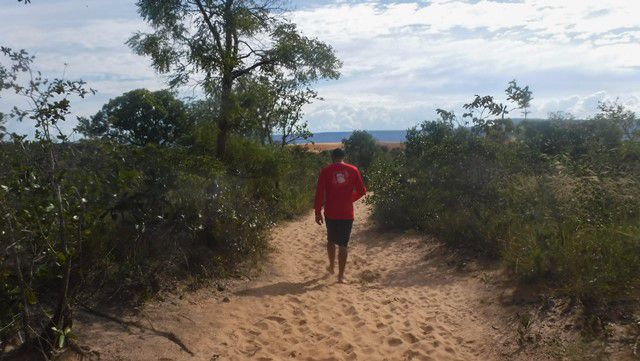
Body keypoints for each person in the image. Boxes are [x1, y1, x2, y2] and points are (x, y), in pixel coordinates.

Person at [314, 148, 366, 284]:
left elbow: (319, 193)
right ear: (344, 156)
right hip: (346, 213)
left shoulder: (325, 171)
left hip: (330, 212)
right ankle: (341, 276)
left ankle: (331, 267)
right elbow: (362, 191)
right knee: (343, 245)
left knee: (331, 240)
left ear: (332, 157)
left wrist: (317, 212)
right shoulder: (353, 170)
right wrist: (350, 199)